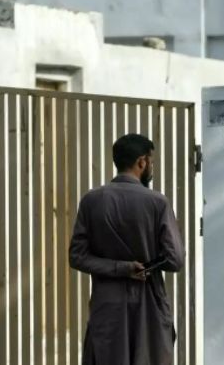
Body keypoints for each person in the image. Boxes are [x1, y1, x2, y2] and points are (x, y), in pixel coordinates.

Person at [69, 134, 185, 365]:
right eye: (152, 161)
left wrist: (121, 268)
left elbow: (77, 256)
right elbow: (175, 260)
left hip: (107, 304)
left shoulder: (91, 200)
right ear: (142, 162)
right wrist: (147, 264)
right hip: (148, 304)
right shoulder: (157, 202)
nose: (152, 167)